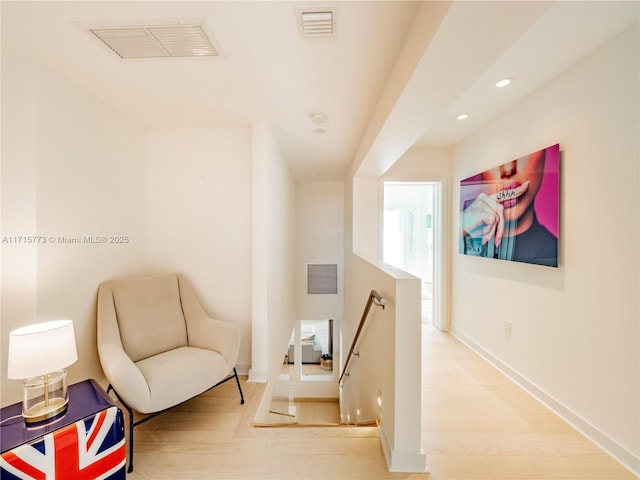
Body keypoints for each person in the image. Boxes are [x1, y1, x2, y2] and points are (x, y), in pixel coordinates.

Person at [460, 146, 558, 267]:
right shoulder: (464, 238)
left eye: (523, 151)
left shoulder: (554, 253)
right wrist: (461, 226)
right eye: (493, 159)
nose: (508, 169)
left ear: (543, 156)